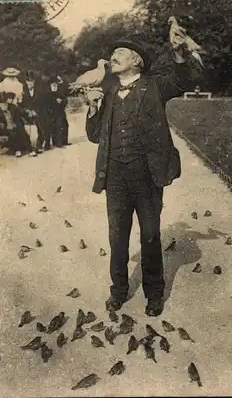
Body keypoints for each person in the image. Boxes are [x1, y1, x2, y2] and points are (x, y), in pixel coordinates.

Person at [85, 25, 205, 317]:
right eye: (113, 54)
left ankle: (154, 293)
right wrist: (92, 108)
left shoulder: (154, 86)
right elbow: (94, 134)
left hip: (147, 175)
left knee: (150, 235)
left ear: (136, 60)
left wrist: (178, 52)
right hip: (114, 176)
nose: (113, 57)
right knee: (117, 237)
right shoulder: (109, 91)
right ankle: (119, 291)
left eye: (120, 53)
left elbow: (184, 79)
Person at [0, 92, 37, 158]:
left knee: (21, 133)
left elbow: (22, 112)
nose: (3, 106)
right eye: (1, 104)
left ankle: (30, 150)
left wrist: (29, 115)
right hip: (6, 128)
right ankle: (17, 149)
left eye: (5, 104)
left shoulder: (13, 107)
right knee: (13, 135)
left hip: (16, 125)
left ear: (7, 103)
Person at [21, 70, 45, 153]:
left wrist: (36, 111)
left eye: (32, 81)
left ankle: (39, 145)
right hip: (26, 113)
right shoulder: (23, 91)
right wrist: (27, 110)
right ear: (26, 81)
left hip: (38, 112)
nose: (30, 83)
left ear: (34, 81)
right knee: (24, 127)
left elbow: (42, 103)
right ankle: (28, 146)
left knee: (41, 125)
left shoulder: (40, 90)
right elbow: (20, 104)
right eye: (28, 81)